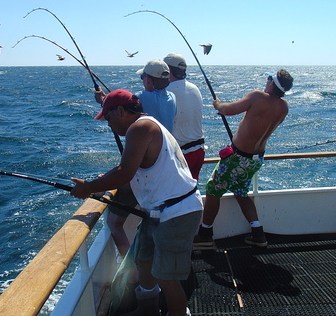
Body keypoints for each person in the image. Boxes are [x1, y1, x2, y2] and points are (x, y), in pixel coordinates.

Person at [71, 89, 203, 316]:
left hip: (178, 211)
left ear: (121, 111)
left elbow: (125, 172)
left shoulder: (139, 129)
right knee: (143, 261)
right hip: (158, 210)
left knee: (167, 277)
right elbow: (128, 168)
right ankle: (147, 310)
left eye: (108, 118)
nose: (109, 125)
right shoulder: (145, 124)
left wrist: (88, 188)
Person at [194, 70, 294, 248]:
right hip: (255, 159)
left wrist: (218, 105)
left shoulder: (258, 97)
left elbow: (228, 110)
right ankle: (258, 234)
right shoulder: (283, 106)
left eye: (269, 78)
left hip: (238, 158)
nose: (266, 80)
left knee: (212, 189)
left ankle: (205, 234)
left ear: (272, 84)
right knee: (240, 192)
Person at [94, 59, 177, 257]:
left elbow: (124, 108)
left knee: (114, 223)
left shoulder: (141, 99)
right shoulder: (172, 98)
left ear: (148, 79)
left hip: (142, 171)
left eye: (142, 77)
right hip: (161, 170)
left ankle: (131, 271)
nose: (141, 81)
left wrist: (103, 101)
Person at [163, 53, 206, 181]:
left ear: (168, 70)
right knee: (190, 192)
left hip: (181, 155)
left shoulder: (167, 92)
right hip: (199, 151)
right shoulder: (194, 88)